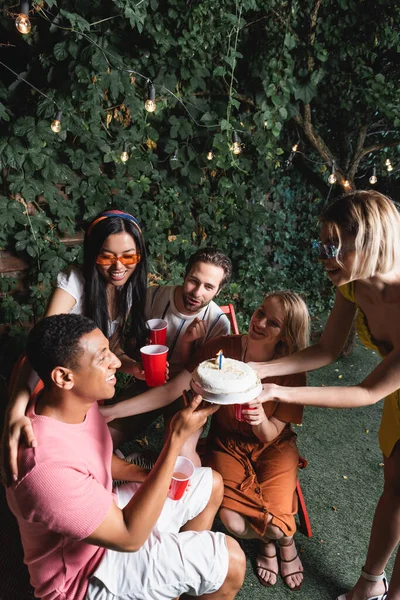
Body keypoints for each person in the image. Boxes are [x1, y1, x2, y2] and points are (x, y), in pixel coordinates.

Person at [6, 313, 246, 600]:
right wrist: (175, 440)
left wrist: (145, 475)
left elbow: (95, 457)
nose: (117, 363)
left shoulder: (73, 401)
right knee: (232, 561)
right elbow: (130, 538)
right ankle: (163, 573)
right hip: (82, 577)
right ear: (64, 377)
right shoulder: (45, 467)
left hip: (103, 514)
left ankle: (169, 580)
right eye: (102, 358)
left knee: (211, 485)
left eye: (109, 350)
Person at [101, 291, 309, 591]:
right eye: (260, 311)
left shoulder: (292, 371)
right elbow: (172, 390)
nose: (259, 322)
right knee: (233, 523)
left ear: (286, 336)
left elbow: (270, 433)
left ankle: (280, 541)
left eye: (272, 322)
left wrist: (259, 419)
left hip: (273, 446)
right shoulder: (223, 350)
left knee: (278, 526)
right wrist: (113, 411)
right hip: (227, 443)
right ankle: (274, 537)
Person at [248, 191, 400, 600]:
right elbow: (327, 350)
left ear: (371, 241)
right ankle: (371, 584)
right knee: (395, 489)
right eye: (319, 244)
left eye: (332, 246)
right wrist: (263, 368)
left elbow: (367, 390)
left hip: (383, 390)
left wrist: (277, 389)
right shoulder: (354, 286)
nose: (321, 256)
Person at [1, 209, 148, 484]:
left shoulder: (126, 290)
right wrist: (15, 409)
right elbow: (41, 348)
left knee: (88, 440)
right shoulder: (75, 282)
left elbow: (111, 348)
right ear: (93, 254)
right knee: (40, 449)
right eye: (107, 256)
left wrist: (132, 367)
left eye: (129, 256)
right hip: (47, 376)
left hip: (86, 378)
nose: (119, 266)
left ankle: (104, 469)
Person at [145, 247, 232, 377]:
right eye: (193, 281)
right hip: (144, 378)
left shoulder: (218, 324)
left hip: (185, 389)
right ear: (185, 275)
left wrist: (187, 343)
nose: (197, 293)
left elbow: (205, 377)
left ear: (218, 291)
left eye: (208, 287)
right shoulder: (153, 297)